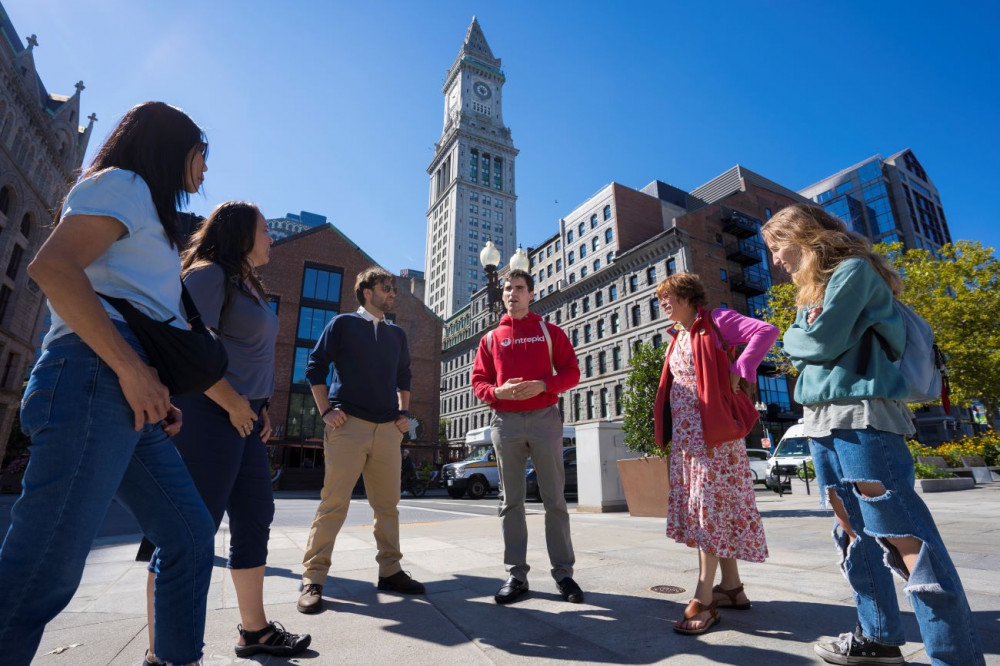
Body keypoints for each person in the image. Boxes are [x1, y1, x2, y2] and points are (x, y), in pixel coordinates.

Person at [0, 102, 216, 666]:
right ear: (173, 146)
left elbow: (133, 304)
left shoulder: (149, 212)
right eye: (202, 155)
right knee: (39, 575)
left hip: (124, 390)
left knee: (190, 535)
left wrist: (152, 383)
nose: (205, 171)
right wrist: (130, 368)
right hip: (92, 378)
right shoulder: (123, 184)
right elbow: (52, 268)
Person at [762, 203, 984, 665]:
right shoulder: (813, 294)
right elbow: (820, 346)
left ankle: (954, 655)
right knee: (854, 535)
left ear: (802, 236)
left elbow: (820, 343)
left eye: (777, 247)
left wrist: (790, 338)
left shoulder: (853, 271)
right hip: (822, 420)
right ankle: (878, 637)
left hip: (863, 417)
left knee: (905, 538)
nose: (775, 260)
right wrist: (806, 338)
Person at [140, 202, 310, 662]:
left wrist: (263, 407)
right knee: (188, 531)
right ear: (239, 235)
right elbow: (185, 348)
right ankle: (160, 652)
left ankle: (255, 631)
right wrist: (234, 402)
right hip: (209, 412)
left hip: (247, 418)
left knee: (255, 517)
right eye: (264, 231)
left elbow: (249, 354)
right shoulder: (209, 275)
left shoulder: (246, 284)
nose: (272, 238)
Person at [652, 272, 778, 635]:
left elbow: (765, 331)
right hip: (689, 441)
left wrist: (741, 368)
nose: (663, 303)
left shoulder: (717, 321)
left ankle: (704, 597)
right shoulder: (677, 336)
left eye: (668, 296)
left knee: (709, 510)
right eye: (661, 298)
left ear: (689, 297)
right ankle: (732, 588)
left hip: (715, 438)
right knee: (709, 508)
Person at [297, 268, 424, 614]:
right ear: (367, 291)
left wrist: (404, 415)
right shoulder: (342, 325)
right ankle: (313, 578)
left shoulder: (396, 335)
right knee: (333, 504)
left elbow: (404, 376)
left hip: (387, 431)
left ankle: (391, 571)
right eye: (387, 287)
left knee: (387, 506)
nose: (393, 293)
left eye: (394, 288)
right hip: (348, 425)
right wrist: (325, 412)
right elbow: (314, 367)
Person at [471, 269, 583, 605]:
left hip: (545, 419)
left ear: (531, 293)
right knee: (511, 502)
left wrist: (545, 384)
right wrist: (498, 392)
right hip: (505, 422)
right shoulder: (491, 339)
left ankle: (564, 575)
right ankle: (516, 575)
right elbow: (478, 384)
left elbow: (572, 372)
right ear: (503, 295)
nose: (512, 293)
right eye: (507, 288)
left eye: (519, 288)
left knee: (555, 501)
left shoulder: (549, 332)